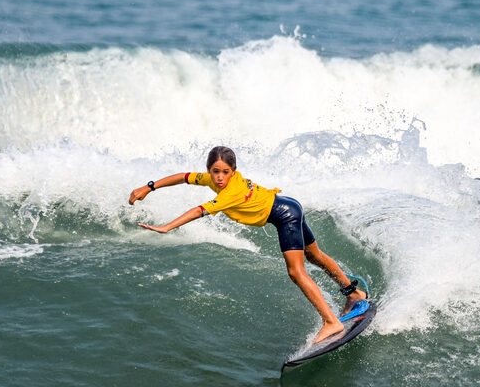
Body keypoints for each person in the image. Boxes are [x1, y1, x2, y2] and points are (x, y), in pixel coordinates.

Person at [128, 146, 368, 343]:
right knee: (314, 256)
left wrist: (168, 226)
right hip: (289, 205)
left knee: (296, 272)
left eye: (225, 172)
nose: (220, 177)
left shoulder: (230, 192)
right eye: (215, 172)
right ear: (209, 171)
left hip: (285, 215)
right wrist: (148, 188)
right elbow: (183, 177)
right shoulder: (212, 180)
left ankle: (331, 322)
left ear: (234, 172)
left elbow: (199, 210)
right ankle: (354, 293)